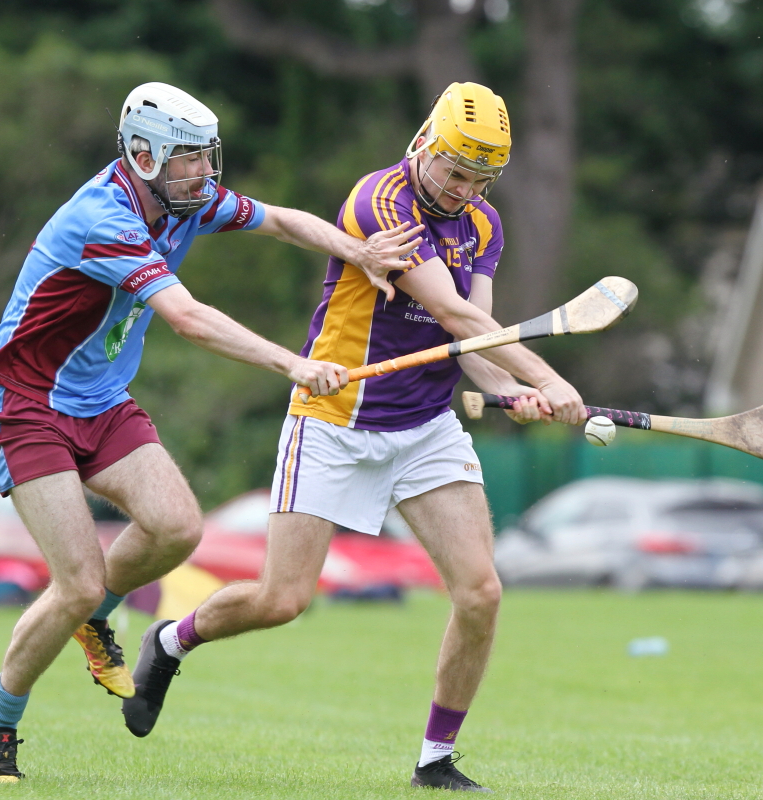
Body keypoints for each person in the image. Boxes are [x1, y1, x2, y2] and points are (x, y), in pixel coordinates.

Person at [123, 82, 587, 792]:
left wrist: (514, 391)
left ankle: (435, 761)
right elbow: (454, 313)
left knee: (481, 592)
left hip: (426, 428)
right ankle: (172, 639)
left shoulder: (484, 226)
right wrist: (551, 377)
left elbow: (475, 345)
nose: (461, 188)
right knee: (282, 601)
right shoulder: (380, 202)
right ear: (425, 144)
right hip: (334, 421)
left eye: (478, 178)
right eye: (453, 169)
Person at [0, 81, 418, 783]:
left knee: (177, 528)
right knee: (78, 580)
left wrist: (356, 252)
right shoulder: (103, 217)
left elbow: (285, 222)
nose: (205, 173)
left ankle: (94, 618)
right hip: (25, 405)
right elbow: (189, 318)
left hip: (100, 399)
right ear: (143, 155)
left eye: (207, 157)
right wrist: (295, 364)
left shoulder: (188, 202)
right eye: (189, 160)